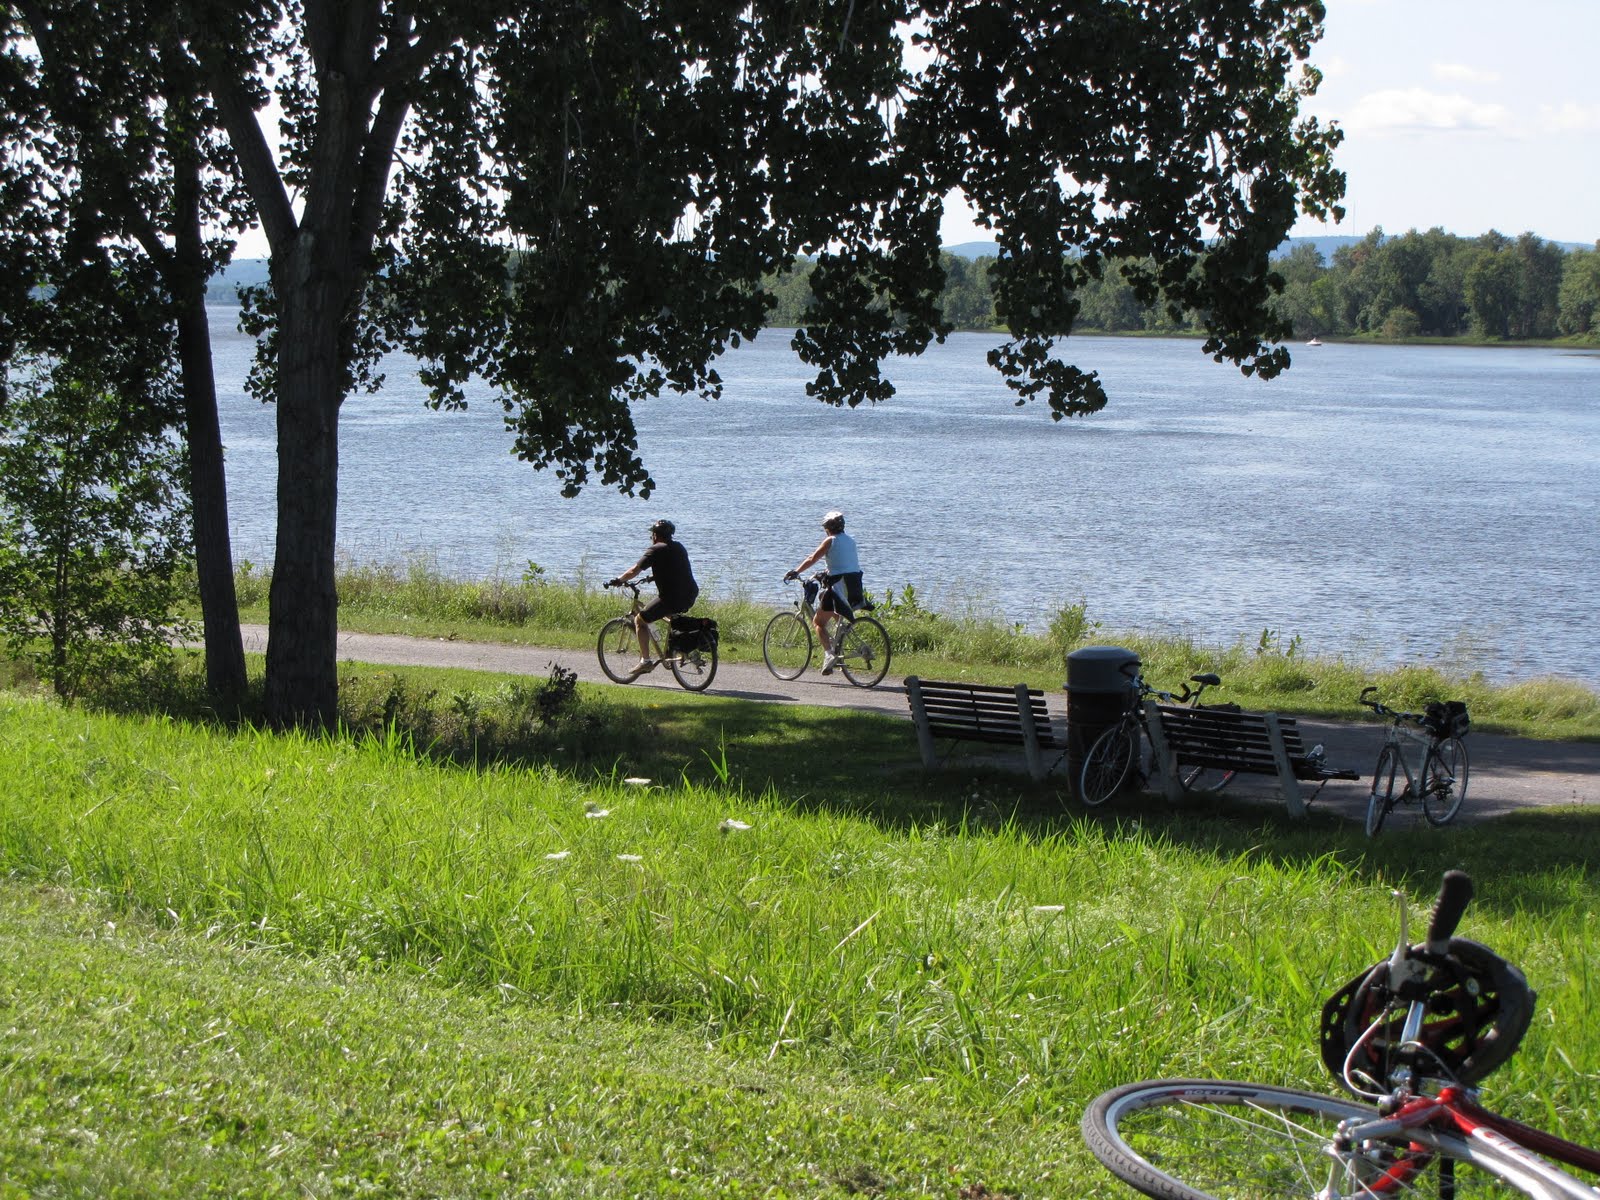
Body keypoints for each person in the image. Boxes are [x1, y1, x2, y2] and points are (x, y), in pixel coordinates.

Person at [606, 519, 699, 678]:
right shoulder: (679, 547)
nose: (651, 537)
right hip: (690, 594)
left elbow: (634, 570)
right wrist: (653, 577)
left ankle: (646, 661)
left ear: (656, 535)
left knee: (640, 621)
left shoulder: (655, 550)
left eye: (652, 534)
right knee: (672, 619)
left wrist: (619, 580)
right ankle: (683, 649)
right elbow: (675, 569)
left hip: (671, 598)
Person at [784, 510, 866, 675]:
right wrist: (826, 572)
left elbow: (812, 558)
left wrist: (796, 572)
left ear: (827, 528)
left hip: (839, 589)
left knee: (819, 622)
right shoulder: (851, 541)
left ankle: (829, 655)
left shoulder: (830, 541)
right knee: (823, 597)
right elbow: (842, 563)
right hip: (854, 587)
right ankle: (852, 638)